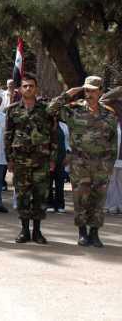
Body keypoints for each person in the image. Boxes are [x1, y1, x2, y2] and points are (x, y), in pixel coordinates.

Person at [48, 76, 118, 247]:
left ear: (100, 91)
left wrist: (110, 163)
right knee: (81, 198)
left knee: (98, 199)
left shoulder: (109, 114)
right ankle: (82, 233)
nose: (89, 93)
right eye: (87, 90)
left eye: (93, 90)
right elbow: (49, 110)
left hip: (102, 164)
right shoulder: (74, 110)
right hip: (80, 163)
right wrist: (67, 94)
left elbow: (113, 141)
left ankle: (94, 233)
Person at [4, 73, 55, 244]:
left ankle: (38, 232)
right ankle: (24, 231)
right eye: (25, 86)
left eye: (31, 86)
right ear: (19, 89)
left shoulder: (45, 110)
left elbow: (53, 135)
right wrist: (9, 159)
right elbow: (7, 136)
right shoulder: (12, 110)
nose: (28, 88)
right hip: (20, 161)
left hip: (41, 160)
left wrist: (53, 158)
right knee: (23, 196)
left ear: (36, 88)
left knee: (40, 196)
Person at [101, 86, 122, 214]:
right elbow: (103, 99)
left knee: (120, 179)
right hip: (113, 148)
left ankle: (119, 204)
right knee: (112, 178)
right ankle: (110, 204)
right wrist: (119, 89)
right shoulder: (115, 103)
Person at [47, 121, 70, 213]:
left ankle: (60, 204)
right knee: (48, 181)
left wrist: (67, 155)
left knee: (60, 182)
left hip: (61, 157)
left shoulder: (64, 126)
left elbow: (67, 142)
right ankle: (49, 203)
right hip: (48, 157)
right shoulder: (46, 124)